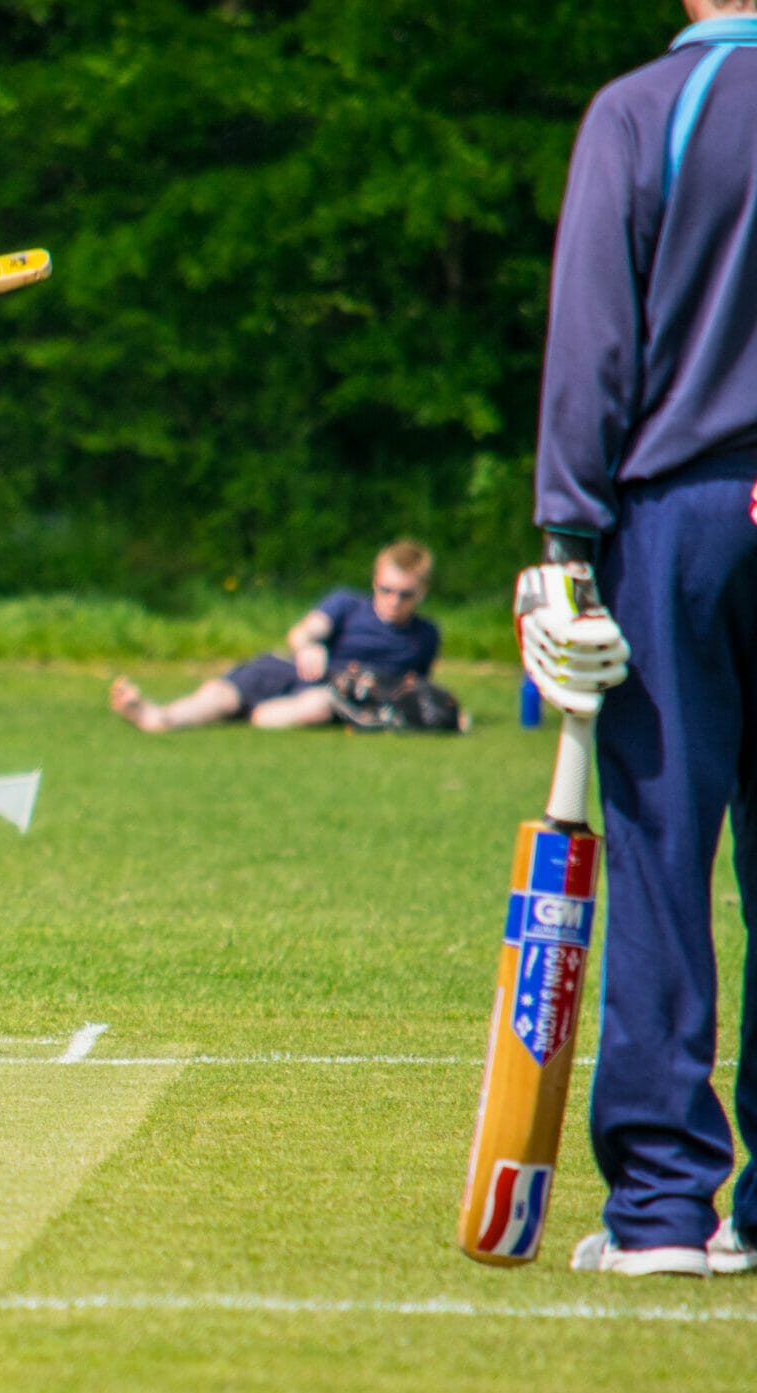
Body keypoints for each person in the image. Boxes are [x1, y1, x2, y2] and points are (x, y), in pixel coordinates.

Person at [522, 0, 757, 1279]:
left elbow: (592, 339)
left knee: (665, 852)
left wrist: (564, 532)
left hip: (684, 515)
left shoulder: (641, 109)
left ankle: (667, 1211)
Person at [109, 541, 440, 732]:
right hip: (292, 669)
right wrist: (309, 646)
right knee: (223, 695)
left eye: (405, 594)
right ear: (374, 582)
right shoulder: (347, 603)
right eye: (386, 589)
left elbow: (413, 691)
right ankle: (159, 716)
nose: (394, 601)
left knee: (318, 705)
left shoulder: (424, 636)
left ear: (422, 591)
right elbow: (306, 629)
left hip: (336, 692)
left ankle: (257, 714)